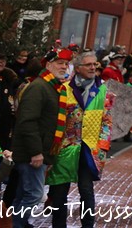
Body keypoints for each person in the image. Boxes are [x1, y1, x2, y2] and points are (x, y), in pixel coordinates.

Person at [10, 47, 76, 228]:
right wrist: (36, 152)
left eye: (66, 64)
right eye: (60, 63)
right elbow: (27, 121)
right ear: (48, 65)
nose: (64, 67)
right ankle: (17, 225)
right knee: (34, 195)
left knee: (24, 194)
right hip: (31, 153)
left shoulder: (52, 87)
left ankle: (15, 223)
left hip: (39, 151)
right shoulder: (39, 87)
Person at [44, 52, 101, 228]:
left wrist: (102, 146)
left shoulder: (102, 90)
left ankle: (88, 226)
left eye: (95, 64)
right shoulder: (63, 88)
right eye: (88, 65)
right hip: (64, 147)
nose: (93, 68)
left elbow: (107, 121)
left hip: (88, 148)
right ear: (77, 68)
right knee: (60, 191)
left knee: (86, 190)